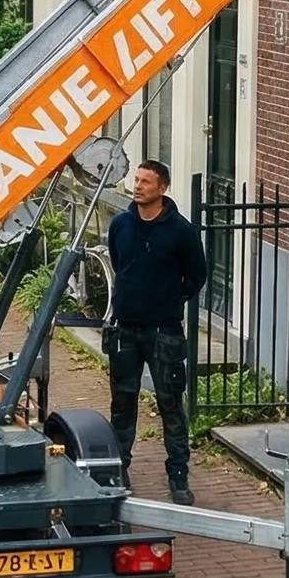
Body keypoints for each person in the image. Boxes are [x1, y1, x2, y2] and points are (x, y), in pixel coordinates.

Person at [105, 159, 211, 505]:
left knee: (170, 404)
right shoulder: (120, 224)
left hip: (164, 331)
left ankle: (178, 476)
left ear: (162, 188)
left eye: (145, 182)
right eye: (136, 180)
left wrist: (170, 298)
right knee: (122, 404)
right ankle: (120, 470)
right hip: (126, 330)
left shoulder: (181, 231)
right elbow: (118, 261)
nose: (137, 187)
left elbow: (196, 275)